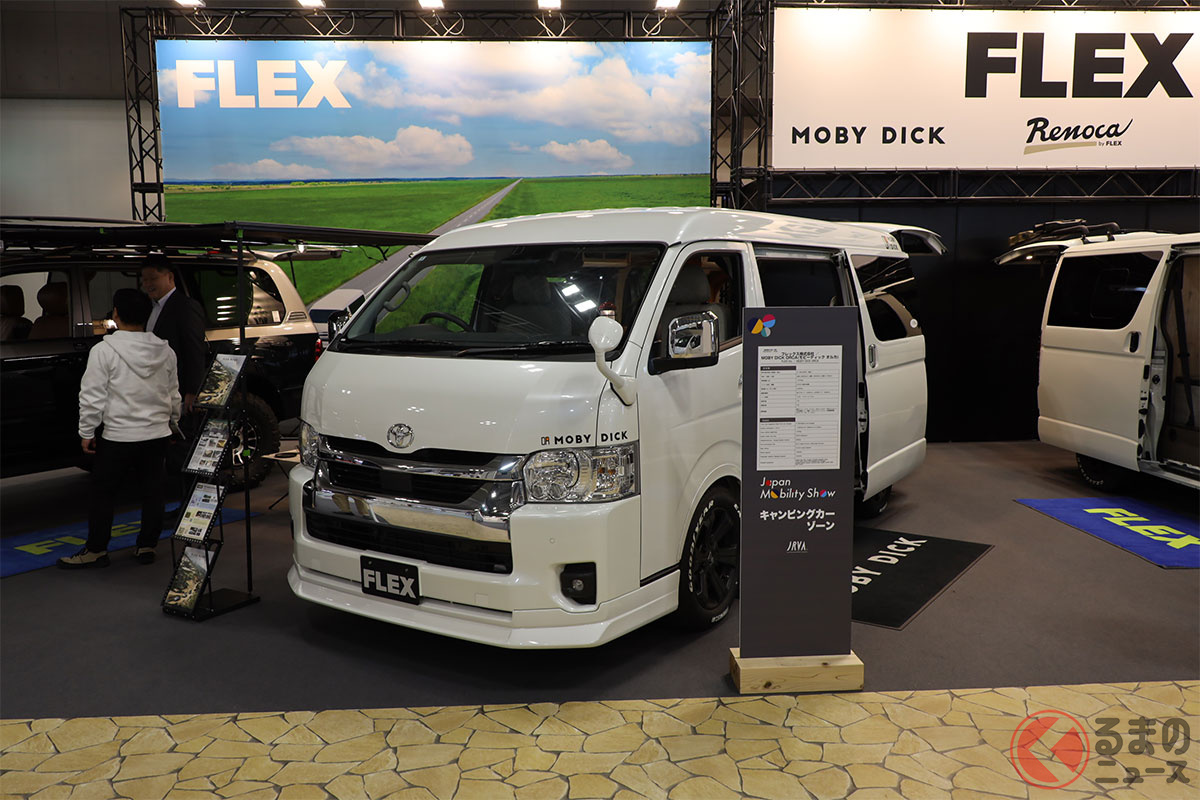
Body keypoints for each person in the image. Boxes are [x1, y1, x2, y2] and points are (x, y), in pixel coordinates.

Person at [58, 289, 181, 568]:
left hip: (119, 436)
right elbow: (172, 392)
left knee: (104, 493)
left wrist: (87, 431)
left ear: (115, 314)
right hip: (157, 434)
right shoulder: (165, 350)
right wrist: (174, 422)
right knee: (153, 491)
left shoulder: (104, 351)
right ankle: (147, 546)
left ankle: (96, 550)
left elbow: (92, 396)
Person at [141, 259, 207, 413]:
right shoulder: (149, 306)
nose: (148, 284)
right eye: (144, 280)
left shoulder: (186, 306)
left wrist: (193, 390)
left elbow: (194, 350)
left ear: (170, 277)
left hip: (178, 387)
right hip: (155, 387)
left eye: (153, 278)